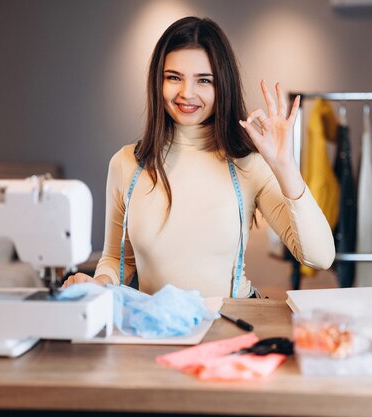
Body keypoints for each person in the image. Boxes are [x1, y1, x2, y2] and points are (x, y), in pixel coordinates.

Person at [62, 16, 335, 298]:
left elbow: (319, 257)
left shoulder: (248, 164)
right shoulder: (126, 164)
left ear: (222, 87)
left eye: (204, 80)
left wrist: (285, 166)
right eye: (174, 77)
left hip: (230, 327)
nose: (186, 93)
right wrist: (99, 282)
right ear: (158, 81)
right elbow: (119, 260)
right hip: (156, 331)